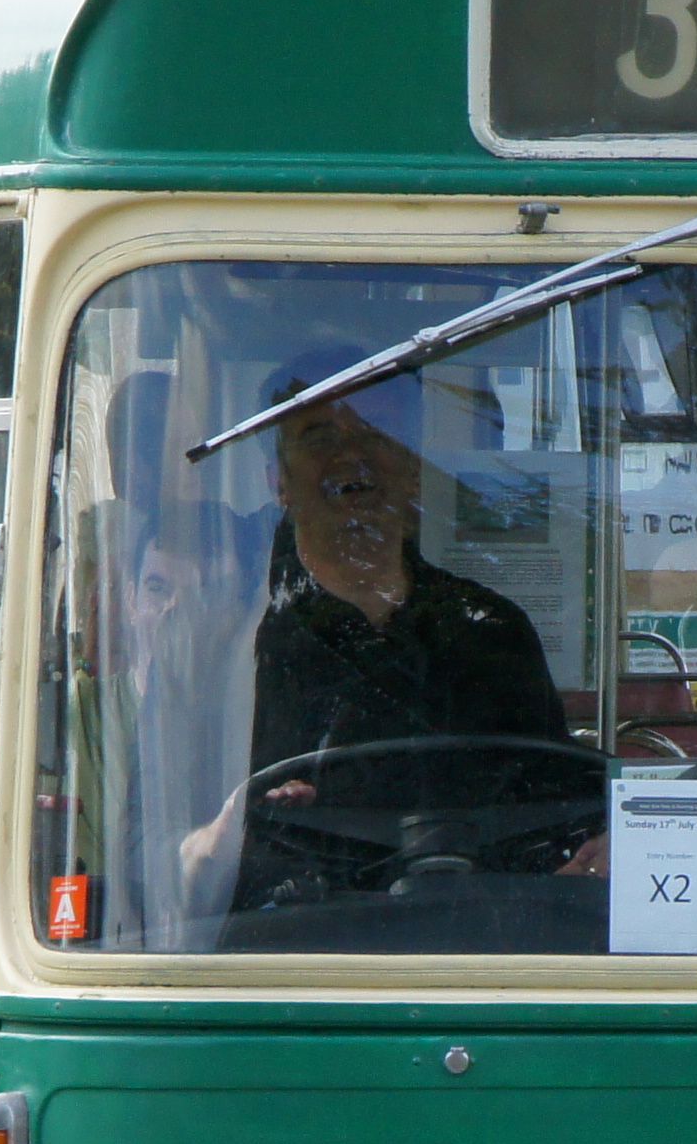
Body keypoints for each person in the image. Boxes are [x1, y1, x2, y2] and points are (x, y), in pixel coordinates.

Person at [232, 380, 572, 905]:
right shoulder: (237, 638)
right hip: (286, 954)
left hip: (480, 951)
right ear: (278, 480)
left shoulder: (493, 633)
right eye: (320, 436)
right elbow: (175, 844)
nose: (352, 456)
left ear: (413, 469)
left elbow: (561, 808)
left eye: (378, 433)